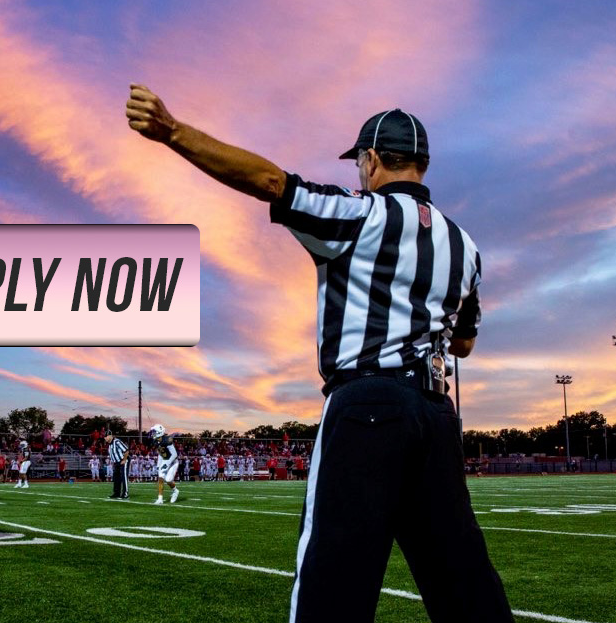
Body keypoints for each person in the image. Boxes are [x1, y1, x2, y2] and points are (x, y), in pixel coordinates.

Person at [127, 86, 513, 622]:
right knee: (463, 581)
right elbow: (465, 342)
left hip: (368, 403)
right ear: (422, 164)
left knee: (334, 580)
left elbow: (271, 183)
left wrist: (173, 131)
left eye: (360, 162)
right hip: (437, 415)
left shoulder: (359, 215)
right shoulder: (465, 245)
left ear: (371, 160)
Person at [148, 424, 180, 505]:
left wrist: (166, 464)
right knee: (161, 477)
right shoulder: (156, 441)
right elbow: (160, 453)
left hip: (173, 462)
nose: (153, 433)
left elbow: (174, 455)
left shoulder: (167, 440)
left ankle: (175, 491)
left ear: (159, 432)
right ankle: (160, 499)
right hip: (165, 460)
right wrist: (159, 465)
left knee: (169, 480)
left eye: (154, 432)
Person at [106, 432, 129, 499]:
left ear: (110, 436)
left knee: (124, 477)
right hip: (116, 462)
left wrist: (124, 460)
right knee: (116, 478)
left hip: (123, 461)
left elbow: (126, 450)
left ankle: (125, 493)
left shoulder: (117, 442)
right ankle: (116, 493)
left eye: (106, 437)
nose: (105, 438)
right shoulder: (110, 444)